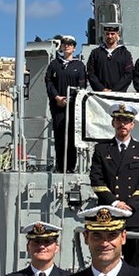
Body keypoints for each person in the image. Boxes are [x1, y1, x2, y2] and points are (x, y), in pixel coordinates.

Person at [89, 101, 139, 265]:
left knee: (133, 262)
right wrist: (115, 203)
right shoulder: (102, 150)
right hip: (108, 214)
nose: (122, 124)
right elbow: (97, 180)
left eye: (126, 121)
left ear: (132, 124)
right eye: (119, 120)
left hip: (133, 216)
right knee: (107, 258)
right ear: (113, 123)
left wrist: (130, 206)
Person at [44, 35, 85, 173]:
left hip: (73, 106)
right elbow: (49, 82)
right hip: (58, 106)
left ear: (74, 48)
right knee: (59, 135)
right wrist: (57, 97)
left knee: (72, 135)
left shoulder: (79, 66)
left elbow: (82, 84)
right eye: (64, 44)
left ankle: (71, 166)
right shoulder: (54, 64)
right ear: (61, 46)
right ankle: (60, 165)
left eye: (70, 44)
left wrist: (70, 99)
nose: (67, 46)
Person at [85, 22, 133, 92]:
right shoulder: (95, 53)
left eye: (112, 34)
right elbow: (91, 73)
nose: (110, 36)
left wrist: (115, 90)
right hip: (99, 95)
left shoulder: (125, 54)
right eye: (107, 34)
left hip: (119, 94)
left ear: (118, 35)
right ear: (104, 35)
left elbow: (128, 74)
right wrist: (101, 89)